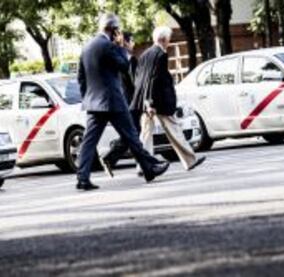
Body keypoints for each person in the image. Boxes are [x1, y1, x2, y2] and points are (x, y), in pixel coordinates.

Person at [76, 14, 169, 191]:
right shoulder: (109, 46)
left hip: (94, 103)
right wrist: (122, 47)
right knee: (132, 136)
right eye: (117, 30)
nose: (119, 33)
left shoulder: (87, 46)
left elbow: (81, 77)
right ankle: (150, 167)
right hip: (112, 101)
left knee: (89, 141)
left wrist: (87, 97)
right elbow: (124, 66)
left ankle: (82, 177)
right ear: (113, 30)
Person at [130, 26, 206, 171]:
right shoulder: (160, 54)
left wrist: (145, 101)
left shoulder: (145, 54)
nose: (169, 42)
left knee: (146, 134)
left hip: (146, 101)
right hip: (158, 102)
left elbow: (139, 79)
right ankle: (189, 160)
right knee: (173, 129)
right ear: (163, 39)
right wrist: (151, 103)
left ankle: (142, 166)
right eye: (169, 39)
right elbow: (154, 79)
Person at [100, 32, 159, 176]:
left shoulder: (114, 59)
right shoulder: (130, 60)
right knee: (132, 135)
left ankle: (142, 165)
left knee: (132, 135)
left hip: (122, 102)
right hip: (132, 103)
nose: (133, 44)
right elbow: (136, 84)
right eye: (131, 41)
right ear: (125, 42)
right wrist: (146, 102)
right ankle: (112, 157)